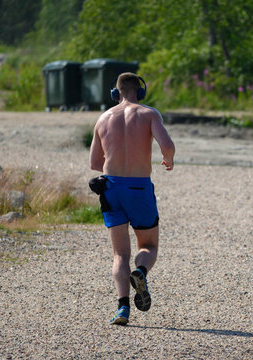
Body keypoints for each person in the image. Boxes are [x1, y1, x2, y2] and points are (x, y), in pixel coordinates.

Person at [89, 72, 175, 325]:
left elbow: (95, 162)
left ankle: (122, 309)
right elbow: (167, 145)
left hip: (110, 188)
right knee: (149, 246)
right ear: (141, 91)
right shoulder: (149, 114)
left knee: (119, 254)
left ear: (115, 93)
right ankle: (140, 272)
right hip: (139, 188)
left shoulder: (103, 118)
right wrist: (168, 160)